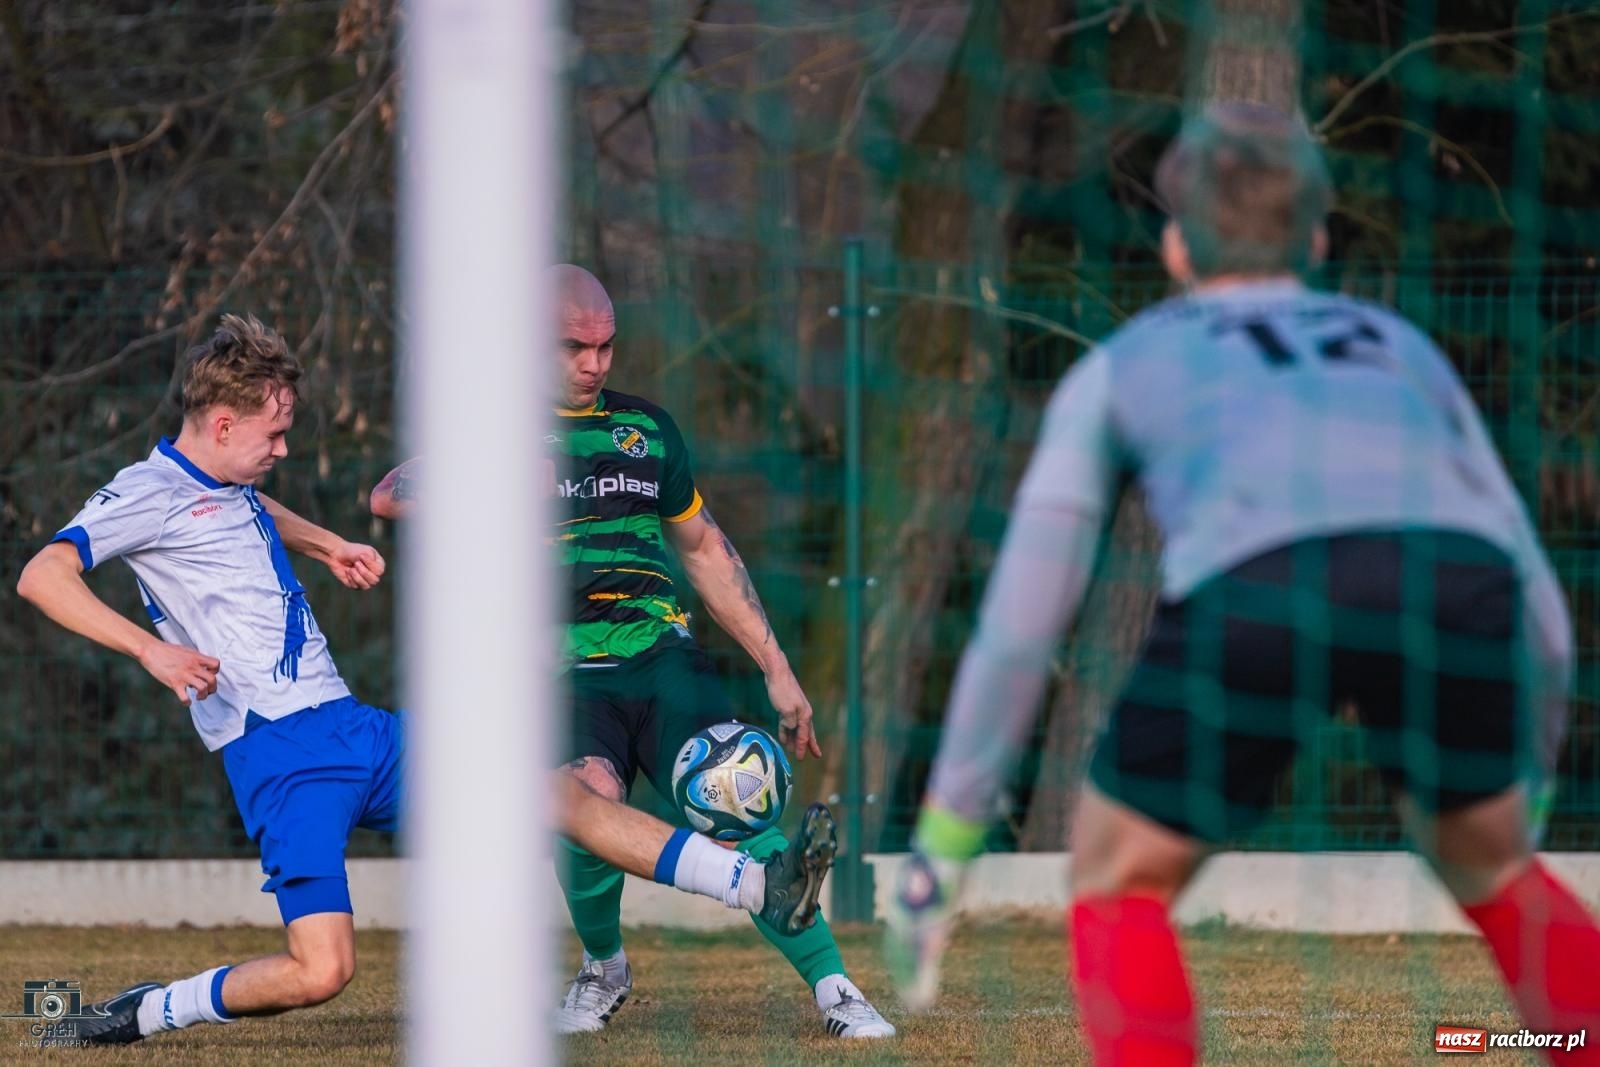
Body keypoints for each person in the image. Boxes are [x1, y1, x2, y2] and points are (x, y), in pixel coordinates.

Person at [883, 102, 1600, 1066]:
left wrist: (946, 839)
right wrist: (1536, 758)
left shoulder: (1123, 364)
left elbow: (1022, 621)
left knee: (1118, 879)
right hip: (1456, 584)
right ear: (1312, 236)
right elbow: (1531, 577)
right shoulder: (1397, 343)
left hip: (1263, 587)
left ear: (1176, 246)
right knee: (1495, 867)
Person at [15, 314, 834, 1047]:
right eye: (274, 434)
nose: (284, 449)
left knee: (561, 794)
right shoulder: (143, 491)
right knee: (320, 970)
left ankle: (758, 882)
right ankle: (148, 1010)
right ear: (222, 421)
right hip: (280, 755)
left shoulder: (229, 478)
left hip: (356, 728)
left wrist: (327, 543)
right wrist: (151, 652)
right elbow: (43, 575)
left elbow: (249, 509)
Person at [370, 265, 896, 1039]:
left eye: (606, 345)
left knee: (736, 790)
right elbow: (390, 494)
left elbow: (706, 549)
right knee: (583, 794)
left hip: (661, 654)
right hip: (561, 672)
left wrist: (777, 668)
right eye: (575, 347)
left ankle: (835, 987)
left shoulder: (647, 431)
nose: (595, 362)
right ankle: (604, 965)